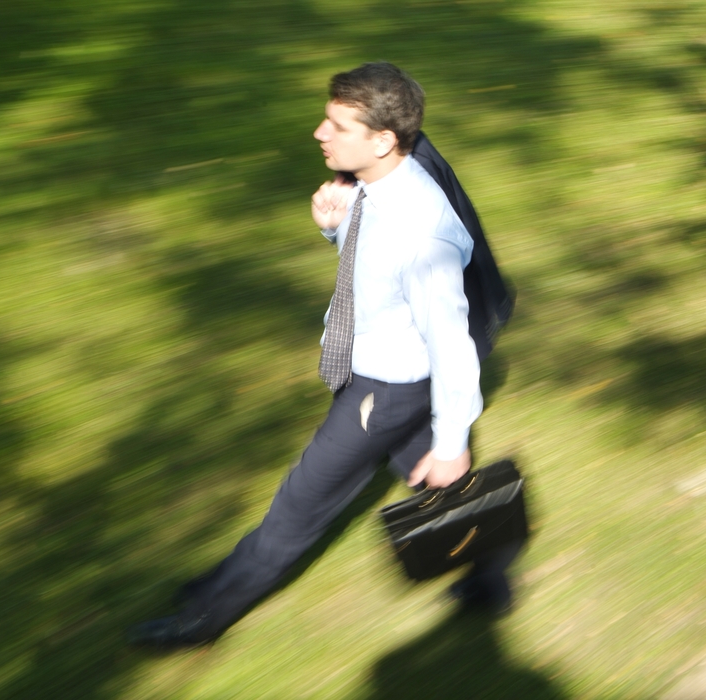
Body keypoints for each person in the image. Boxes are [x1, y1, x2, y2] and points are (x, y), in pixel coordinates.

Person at [130, 62, 512, 649]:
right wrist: (334, 229)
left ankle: (203, 620)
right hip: (388, 380)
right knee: (432, 486)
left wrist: (454, 444)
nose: (319, 133)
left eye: (336, 124)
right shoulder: (381, 185)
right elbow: (375, 273)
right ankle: (491, 578)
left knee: (296, 509)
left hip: (382, 391)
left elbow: (453, 346)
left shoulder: (421, 233)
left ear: (383, 140)